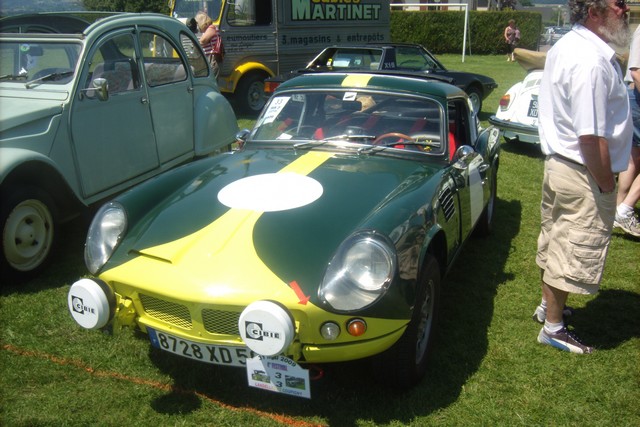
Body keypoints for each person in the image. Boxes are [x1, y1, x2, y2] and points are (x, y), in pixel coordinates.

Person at [533, 0, 632, 354]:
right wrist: (607, 182)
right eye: (616, 4)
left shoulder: (569, 44)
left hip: (561, 165)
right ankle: (554, 327)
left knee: (555, 240)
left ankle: (548, 307)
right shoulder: (591, 61)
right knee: (571, 249)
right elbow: (590, 137)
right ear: (593, 11)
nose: (624, 9)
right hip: (582, 171)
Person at [615, 24, 640, 237]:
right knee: (633, 158)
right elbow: (636, 71)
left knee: (633, 159)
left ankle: (617, 210)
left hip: (636, 99)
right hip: (638, 99)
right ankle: (625, 209)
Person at [194, 11, 223, 77]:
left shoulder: (211, 28)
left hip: (212, 60)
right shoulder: (209, 29)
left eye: (198, 24)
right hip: (209, 59)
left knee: (212, 81)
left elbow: (202, 41)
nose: (198, 27)